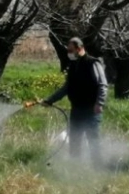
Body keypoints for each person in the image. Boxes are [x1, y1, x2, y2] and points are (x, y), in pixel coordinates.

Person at [43, 37, 108, 166]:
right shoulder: (73, 65)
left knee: (93, 140)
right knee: (75, 140)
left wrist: (99, 103)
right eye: (68, 50)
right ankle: (75, 167)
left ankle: (98, 167)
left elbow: (102, 85)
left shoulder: (93, 63)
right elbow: (67, 87)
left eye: (71, 50)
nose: (69, 53)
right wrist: (50, 100)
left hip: (91, 110)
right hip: (76, 109)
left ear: (80, 48)